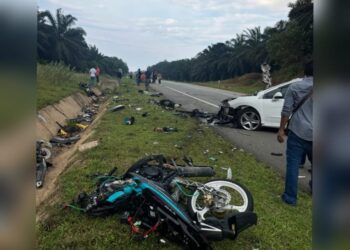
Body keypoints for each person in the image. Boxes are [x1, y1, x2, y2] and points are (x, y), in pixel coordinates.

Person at [277, 62, 313, 206]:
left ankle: (290, 198)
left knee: (292, 165)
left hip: (297, 132)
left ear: (305, 72)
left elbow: (287, 110)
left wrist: (281, 129)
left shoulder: (295, 87)